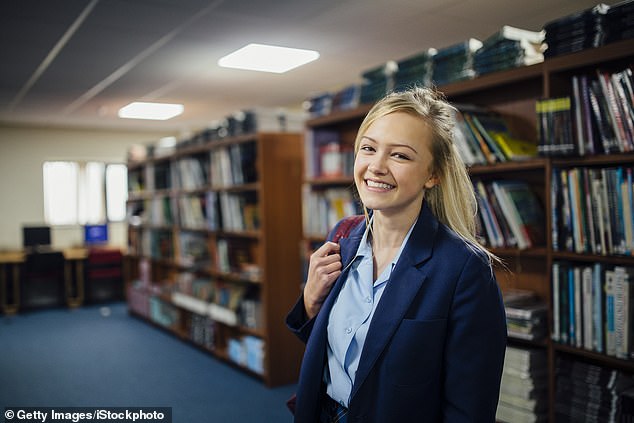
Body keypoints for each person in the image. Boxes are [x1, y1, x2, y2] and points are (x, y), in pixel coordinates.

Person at [286, 86, 507, 423]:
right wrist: (309, 303)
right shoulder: (342, 236)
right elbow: (335, 354)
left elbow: (469, 407)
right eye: (368, 148)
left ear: (433, 174)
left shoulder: (464, 269)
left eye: (400, 155)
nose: (376, 166)